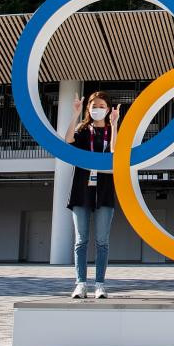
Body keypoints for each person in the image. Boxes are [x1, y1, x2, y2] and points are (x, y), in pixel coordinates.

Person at [66, 91, 121, 299]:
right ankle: (80, 283)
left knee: (102, 241)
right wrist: (75, 114)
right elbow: (68, 141)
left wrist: (115, 124)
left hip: (104, 191)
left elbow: (115, 153)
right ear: (88, 108)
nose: (97, 109)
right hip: (81, 190)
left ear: (107, 109)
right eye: (93, 105)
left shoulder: (110, 130)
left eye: (101, 105)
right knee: (81, 240)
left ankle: (100, 284)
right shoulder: (82, 130)